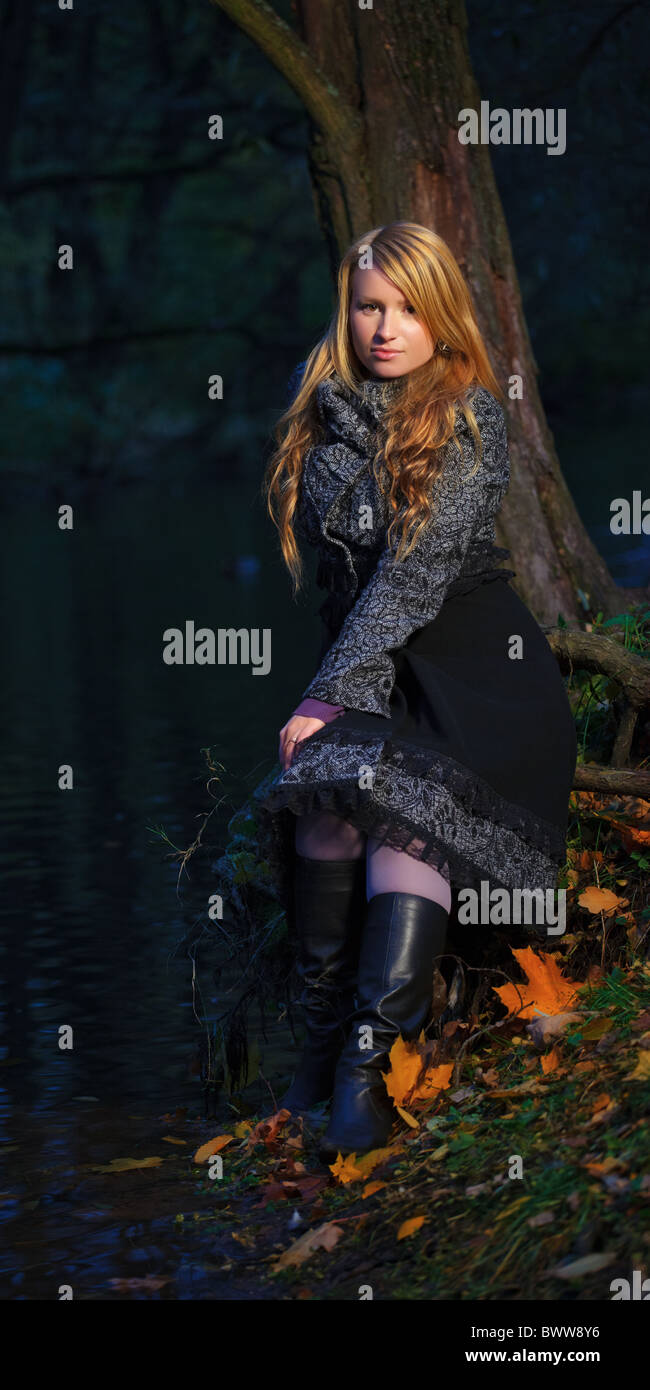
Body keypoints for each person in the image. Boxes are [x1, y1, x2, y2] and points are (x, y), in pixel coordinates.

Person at [251, 221, 577, 1163]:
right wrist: (337, 696)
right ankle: (317, 1052)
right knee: (324, 811)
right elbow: (345, 582)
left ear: (443, 316)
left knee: (398, 810)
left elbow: (413, 575)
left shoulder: (471, 415)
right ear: (345, 310)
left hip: (481, 681)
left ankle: (366, 1065)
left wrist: (325, 695)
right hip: (378, 669)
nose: (385, 328)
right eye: (367, 307)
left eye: (406, 309)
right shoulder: (324, 411)